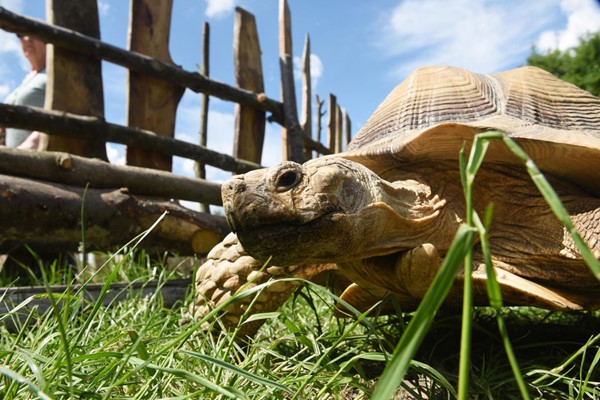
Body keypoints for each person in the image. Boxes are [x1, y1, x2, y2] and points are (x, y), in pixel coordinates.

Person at [0, 32, 47, 150]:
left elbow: (64, 112)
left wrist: (29, 146)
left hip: (41, 160)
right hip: (16, 161)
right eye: (21, 35)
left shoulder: (54, 75)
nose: (27, 39)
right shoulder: (26, 80)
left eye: (33, 34)